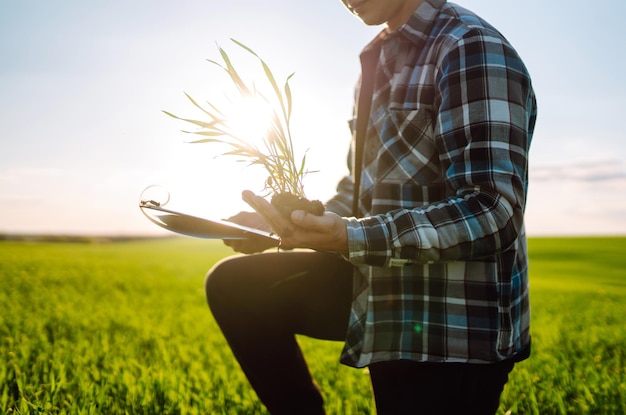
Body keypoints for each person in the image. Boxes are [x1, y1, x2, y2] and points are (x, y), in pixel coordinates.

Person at [205, 0, 537, 413]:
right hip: (381, 287)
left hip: (449, 326)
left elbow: (493, 212)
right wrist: (290, 223)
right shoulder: (378, 58)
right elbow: (359, 188)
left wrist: (349, 235)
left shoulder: (470, 47)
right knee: (236, 287)